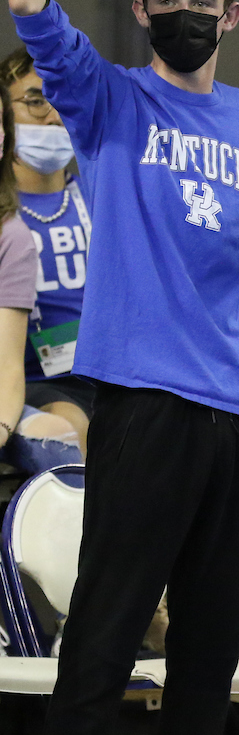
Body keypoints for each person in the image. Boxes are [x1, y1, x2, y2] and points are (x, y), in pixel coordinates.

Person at [3, 0, 239, 735]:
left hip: (233, 407)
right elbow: (39, 25)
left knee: (210, 646)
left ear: (233, 14)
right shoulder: (108, 99)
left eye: (200, 0)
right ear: (141, 9)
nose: (184, 12)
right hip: (140, 398)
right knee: (103, 633)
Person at [2, 46, 93, 455]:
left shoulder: (100, 198)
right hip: (31, 380)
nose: (54, 115)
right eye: (36, 101)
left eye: (63, 101)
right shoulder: (5, 216)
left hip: (109, 375)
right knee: (74, 428)